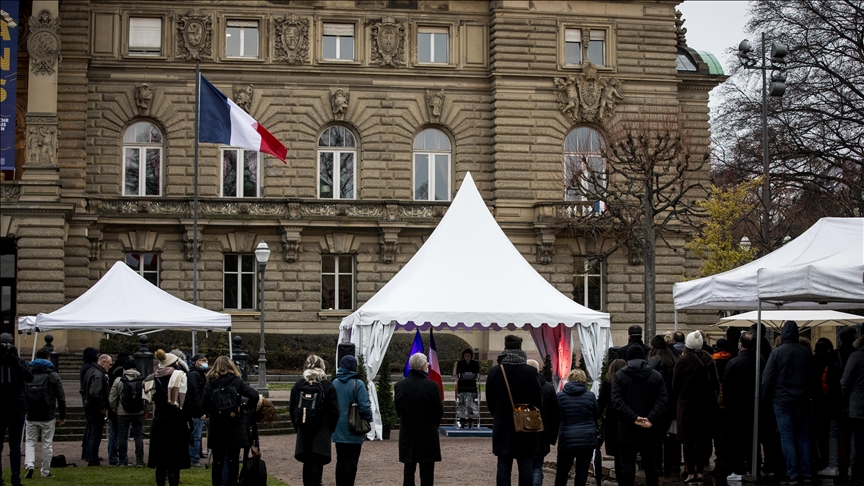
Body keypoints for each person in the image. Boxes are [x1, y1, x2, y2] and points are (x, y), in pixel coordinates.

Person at [486, 335, 544, 486]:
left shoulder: (495, 372)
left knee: (504, 463)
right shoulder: (531, 372)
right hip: (526, 423)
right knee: (526, 465)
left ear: (504, 348)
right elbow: (539, 400)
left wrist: (499, 415)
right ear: (520, 349)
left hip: (503, 424)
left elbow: (490, 400)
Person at [762, 321, 814, 483]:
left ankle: (792, 472)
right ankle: (806, 472)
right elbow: (812, 377)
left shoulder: (777, 353)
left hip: (781, 400)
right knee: (803, 436)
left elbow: (767, 379)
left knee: (787, 437)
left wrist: (766, 398)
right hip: (802, 400)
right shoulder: (805, 352)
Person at [612, 345, 667, 486]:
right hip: (650, 428)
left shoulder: (619, 376)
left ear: (627, 358)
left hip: (627, 428)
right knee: (651, 466)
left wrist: (634, 418)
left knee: (627, 468)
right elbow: (662, 401)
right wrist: (650, 418)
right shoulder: (656, 376)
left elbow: (617, 401)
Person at [204, 356, 258, 486]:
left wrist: (213, 411)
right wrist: (244, 407)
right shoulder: (237, 382)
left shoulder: (211, 383)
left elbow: (204, 404)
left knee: (217, 462)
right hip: (235, 424)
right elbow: (254, 395)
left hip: (217, 425)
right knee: (233, 461)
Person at [672, 331, 718, 483]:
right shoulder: (708, 360)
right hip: (705, 405)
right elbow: (715, 383)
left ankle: (691, 471)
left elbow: (675, 384)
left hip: (687, 405)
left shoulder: (683, 361)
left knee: (688, 440)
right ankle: (700, 471)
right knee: (703, 439)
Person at [289, 355, 340, 486]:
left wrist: (298, 425)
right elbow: (335, 410)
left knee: (307, 462)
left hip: (304, 427)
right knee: (317, 462)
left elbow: (292, 407)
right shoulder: (327, 385)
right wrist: (330, 428)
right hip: (321, 429)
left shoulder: (299, 384)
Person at [395, 352, 444, 486]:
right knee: (427, 470)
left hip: (408, 432)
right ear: (423, 367)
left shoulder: (399, 386)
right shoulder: (432, 386)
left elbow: (398, 409)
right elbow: (439, 410)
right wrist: (434, 425)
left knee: (409, 469)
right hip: (428, 432)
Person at [144, 349, 192, 486]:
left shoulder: (152, 378)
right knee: (174, 465)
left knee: (161, 464)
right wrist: (189, 425)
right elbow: (186, 405)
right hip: (176, 424)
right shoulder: (180, 378)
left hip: (159, 423)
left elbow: (147, 399)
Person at [721, 332, 765, 481]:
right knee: (754, 439)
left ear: (741, 344)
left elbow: (726, 386)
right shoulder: (761, 362)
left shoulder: (734, 363)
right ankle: (755, 467)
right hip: (755, 406)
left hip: (737, 407)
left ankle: (739, 469)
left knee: (738, 440)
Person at [23, 347, 65, 479]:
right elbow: (61, 397)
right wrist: (63, 416)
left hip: (31, 413)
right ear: (48, 358)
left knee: (30, 441)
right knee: (47, 443)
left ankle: (29, 464)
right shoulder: (53, 375)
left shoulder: (29, 373)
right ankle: (45, 471)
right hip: (48, 414)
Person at [332, 355, 373, 486]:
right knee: (352, 461)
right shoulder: (358, 384)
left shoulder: (334, 383)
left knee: (341, 460)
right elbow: (365, 406)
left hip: (338, 427)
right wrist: (369, 418)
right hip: (354, 426)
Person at [554, 369, 598, 486]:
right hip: (587, 438)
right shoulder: (590, 396)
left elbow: (556, 416)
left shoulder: (560, 396)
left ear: (569, 379)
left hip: (567, 438)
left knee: (562, 471)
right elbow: (596, 414)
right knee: (582, 471)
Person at [647, 335, 679, 477]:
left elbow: (649, 382)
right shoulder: (673, 359)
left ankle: (658, 466)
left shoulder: (654, 360)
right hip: (672, 403)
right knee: (671, 436)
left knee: (657, 437)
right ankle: (672, 465)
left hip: (657, 404)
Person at [109, 359, 150, 467]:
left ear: (124, 369)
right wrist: (145, 410)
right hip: (138, 412)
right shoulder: (142, 380)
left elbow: (112, 398)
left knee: (122, 436)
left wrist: (116, 409)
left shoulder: (119, 380)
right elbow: (148, 398)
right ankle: (139, 460)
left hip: (123, 412)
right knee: (138, 436)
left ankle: (122, 460)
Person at [812, 338, 842, 476]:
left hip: (815, 403)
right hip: (832, 403)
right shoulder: (834, 363)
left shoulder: (812, 362)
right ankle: (832, 464)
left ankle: (820, 462)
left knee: (818, 435)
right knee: (832, 434)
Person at [528, 359, 560, 486]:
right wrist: (552, 436)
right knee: (537, 465)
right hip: (543, 430)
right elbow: (555, 414)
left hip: (526, 429)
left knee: (527, 465)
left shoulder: (522, 387)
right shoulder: (548, 387)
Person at [598, 359, 627, 478]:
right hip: (626, 418)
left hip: (612, 420)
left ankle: (621, 478)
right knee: (626, 453)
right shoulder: (627, 382)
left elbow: (601, 404)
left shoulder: (608, 383)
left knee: (617, 454)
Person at [82, 353, 112, 467]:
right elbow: (95, 393)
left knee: (92, 432)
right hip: (95, 408)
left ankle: (91, 456)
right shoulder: (98, 374)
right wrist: (102, 406)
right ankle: (93, 458)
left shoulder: (91, 371)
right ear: (103, 362)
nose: (110, 366)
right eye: (109, 363)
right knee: (95, 434)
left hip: (89, 407)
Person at [106, 353, 128, 466]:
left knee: (113, 434)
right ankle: (122, 457)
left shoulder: (112, 370)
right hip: (121, 408)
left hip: (113, 408)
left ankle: (112, 457)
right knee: (123, 435)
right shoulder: (121, 374)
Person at [187, 353, 208, 468]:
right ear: (196, 362)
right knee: (196, 435)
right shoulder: (195, 374)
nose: (205, 362)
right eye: (203, 360)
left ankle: (197, 454)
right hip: (195, 411)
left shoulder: (200, 374)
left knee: (197, 435)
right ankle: (194, 458)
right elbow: (195, 394)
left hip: (198, 409)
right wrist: (200, 411)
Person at [78, 346, 98, 463]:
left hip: (86, 399)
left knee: (89, 426)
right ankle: (87, 452)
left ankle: (86, 450)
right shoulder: (89, 368)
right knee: (91, 427)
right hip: (89, 400)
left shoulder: (85, 367)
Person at [454, 348, 480, 429]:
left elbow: (477, 373)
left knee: (470, 405)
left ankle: (470, 421)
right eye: (465, 355)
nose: (467, 357)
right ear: (463, 356)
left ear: (471, 356)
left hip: (471, 386)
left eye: (468, 355)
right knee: (461, 404)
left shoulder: (475, 363)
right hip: (462, 385)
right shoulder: (460, 363)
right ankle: (462, 420)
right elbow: (458, 373)